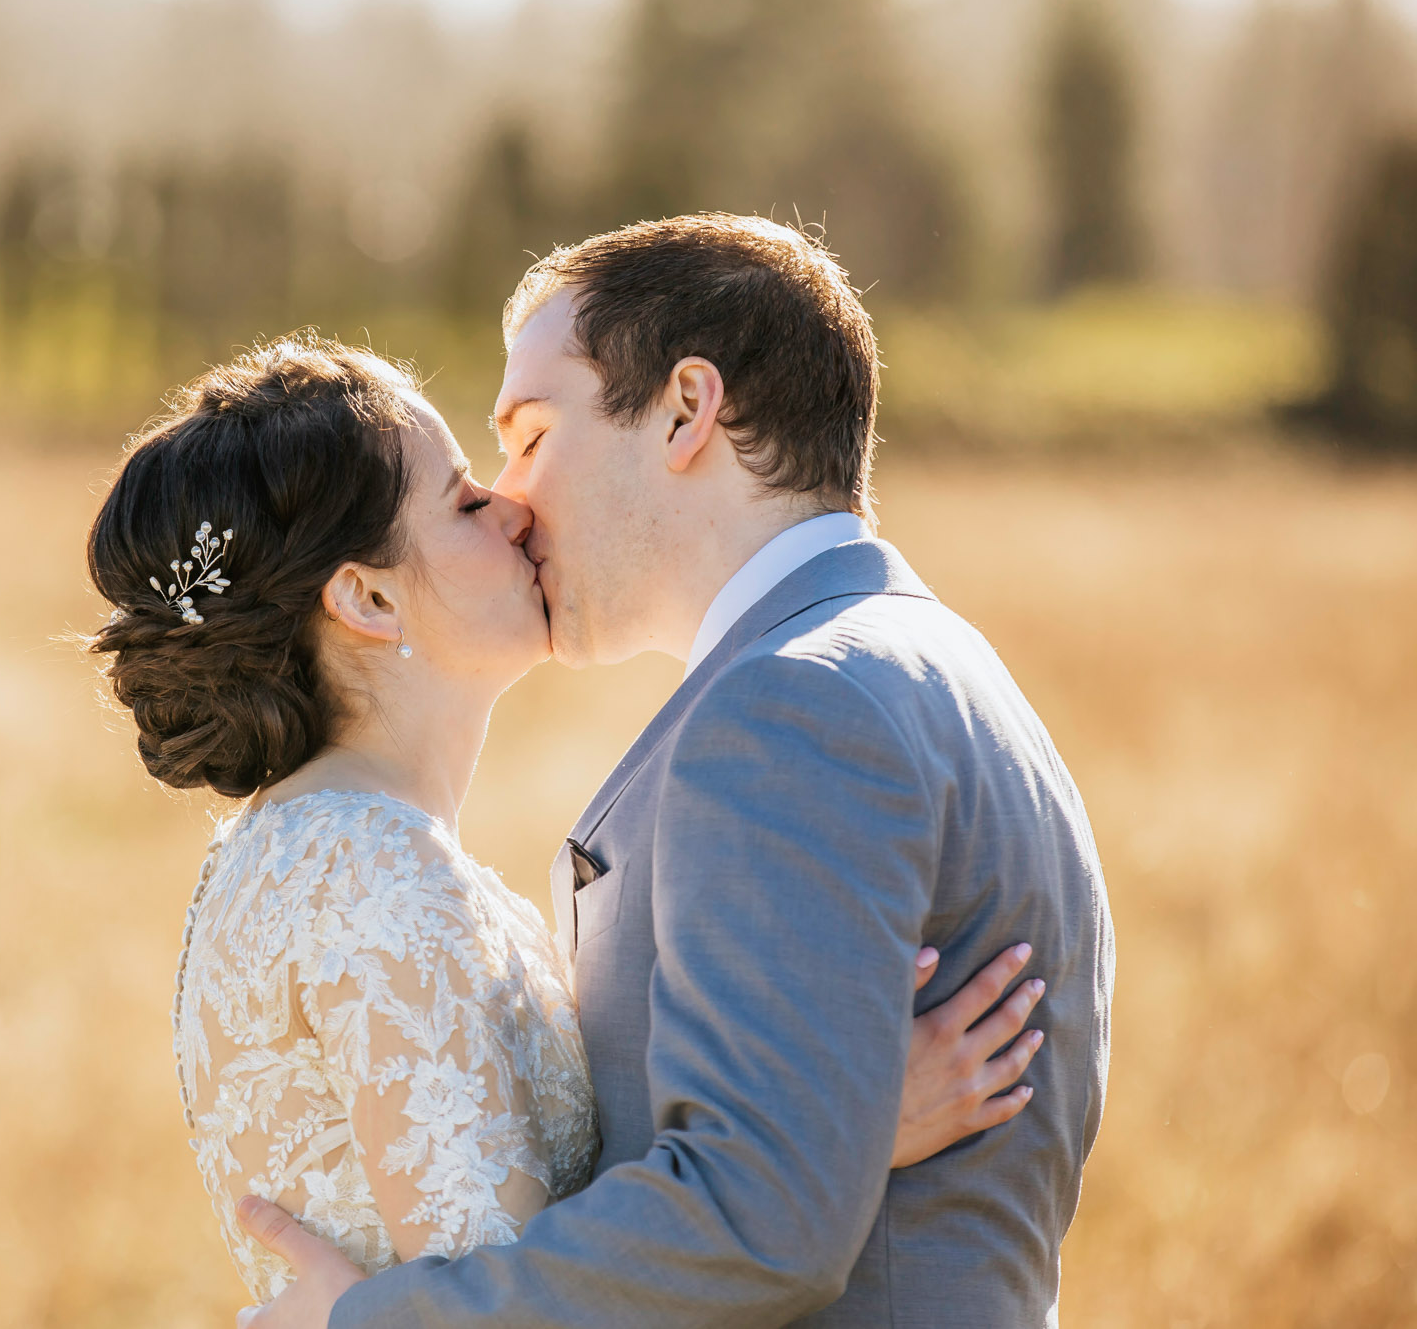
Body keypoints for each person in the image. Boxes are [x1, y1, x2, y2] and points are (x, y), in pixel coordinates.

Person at [84, 241, 1091, 1324]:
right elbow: (759, 1199)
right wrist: (829, 1136)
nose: (513, 500)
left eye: (527, 437)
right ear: (365, 600)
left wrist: (819, 1141)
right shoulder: (921, 666)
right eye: (471, 496)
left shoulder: (794, 706)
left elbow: (762, 1208)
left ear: (683, 410)